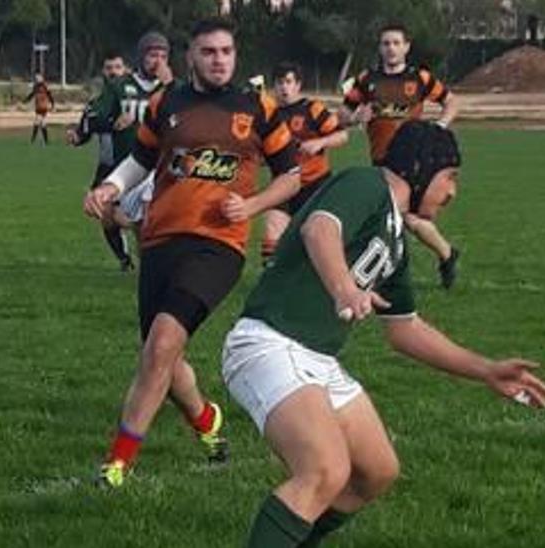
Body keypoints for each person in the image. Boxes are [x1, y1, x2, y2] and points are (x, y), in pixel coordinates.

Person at [224, 121, 545, 547]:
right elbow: (319, 229)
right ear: (420, 168)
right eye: (450, 176)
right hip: (270, 341)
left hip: (315, 358)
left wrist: (486, 370)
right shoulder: (366, 184)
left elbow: (406, 330)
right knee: (325, 469)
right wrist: (344, 287)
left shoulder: (395, 240)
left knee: (376, 471)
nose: (452, 192)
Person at [83, 18, 301, 488]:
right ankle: (207, 422)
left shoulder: (258, 107)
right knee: (159, 355)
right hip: (160, 240)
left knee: (162, 343)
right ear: (192, 58)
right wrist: (109, 186)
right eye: (209, 51)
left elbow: (292, 175)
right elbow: (141, 159)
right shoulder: (167, 102)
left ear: (236, 55)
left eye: (226, 50)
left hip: (218, 245)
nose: (219, 59)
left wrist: (254, 204)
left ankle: (118, 464)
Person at [342, 23, 463, 289]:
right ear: (380, 47)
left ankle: (369, 274)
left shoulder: (419, 78)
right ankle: (446, 254)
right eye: (386, 43)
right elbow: (342, 115)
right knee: (409, 219)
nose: (391, 48)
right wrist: (355, 117)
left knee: (385, 215)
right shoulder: (366, 79)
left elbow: (452, 102)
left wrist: (439, 128)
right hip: (381, 159)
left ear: (407, 46)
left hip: (411, 166)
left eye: (396, 43)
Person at [69, 37, 172, 272]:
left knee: (148, 220)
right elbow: (94, 115)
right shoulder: (120, 87)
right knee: (129, 222)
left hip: (162, 166)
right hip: (129, 166)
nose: (158, 61)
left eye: (163, 56)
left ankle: (155, 268)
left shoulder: (175, 89)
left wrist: (171, 87)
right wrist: (108, 121)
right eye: (152, 55)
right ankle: (139, 265)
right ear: (141, 57)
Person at [261, 61, 348, 265]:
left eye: (288, 82)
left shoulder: (313, 109)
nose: (284, 87)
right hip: (283, 184)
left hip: (315, 184)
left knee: (316, 239)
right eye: (279, 83)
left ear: (298, 85)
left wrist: (320, 142)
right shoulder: (269, 115)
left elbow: (342, 136)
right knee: (272, 228)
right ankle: (272, 281)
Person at [23, 73, 55, 145]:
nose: (36, 80)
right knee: (41, 124)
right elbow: (32, 94)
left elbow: (50, 95)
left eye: (37, 79)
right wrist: (26, 100)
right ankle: (44, 141)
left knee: (38, 123)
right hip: (38, 107)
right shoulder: (36, 87)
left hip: (43, 107)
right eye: (36, 79)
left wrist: (52, 104)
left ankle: (34, 140)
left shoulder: (45, 86)